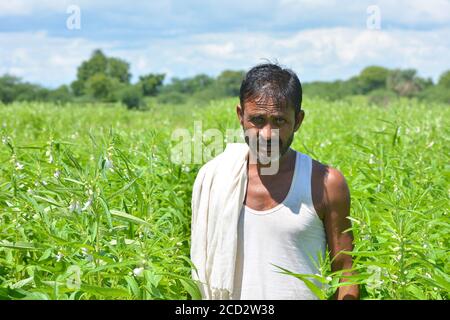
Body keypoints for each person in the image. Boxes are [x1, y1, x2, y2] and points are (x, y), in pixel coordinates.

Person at [190, 63, 359, 300]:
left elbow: (346, 271)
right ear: (241, 116)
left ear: (298, 121)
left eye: (279, 122)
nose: (267, 134)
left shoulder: (325, 183)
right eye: (257, 120)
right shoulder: (215, 179)